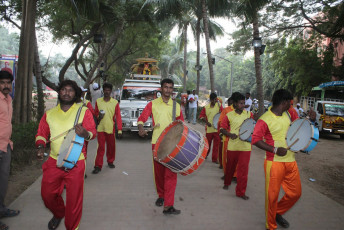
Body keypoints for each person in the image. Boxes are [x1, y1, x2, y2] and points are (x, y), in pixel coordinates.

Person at [35, 80, 97, 230]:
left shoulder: (83, 111)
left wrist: (85, 133)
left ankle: (72, 227)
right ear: (59, 92)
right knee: (47, 195)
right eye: (64, 89)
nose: (67, 92)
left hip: (76, 162)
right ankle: (58, 213)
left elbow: (92, 133)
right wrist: (40, 146)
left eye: (70, 90)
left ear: (75, 94)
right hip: (53, 161)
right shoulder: (49, 114)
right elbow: (41, 133)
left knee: (74, 200)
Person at [251, 89, 300, 230]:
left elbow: (299, 128)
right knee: (272, 197)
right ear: (283, 102)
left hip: (291, 161)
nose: (291, 107)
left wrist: (311, 120)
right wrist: (275, 150)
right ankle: (271, 225)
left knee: (295, 193)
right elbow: (255, 140)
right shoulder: (264, 119)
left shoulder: (290, 114)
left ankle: (277, 212)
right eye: (289, 103)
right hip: (274, 163)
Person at [137, 78, 184, 215]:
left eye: (170, 87)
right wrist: (141, 128)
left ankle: (168, 205)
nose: (168, 90)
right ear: (161, 89)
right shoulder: (152, 104)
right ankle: (161, 195)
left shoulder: (176, 106)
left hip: (172, 144)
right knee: (158, 173)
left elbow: (181, 125)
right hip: (157, 143)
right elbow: (141, 119)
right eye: (166, 87)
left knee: (171, 174)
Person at [220, 92, 254, 200]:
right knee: (230, 167)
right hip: (233, 146)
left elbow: (254, 127)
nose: (242, 105)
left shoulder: (249, 115)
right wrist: (229, 134)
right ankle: (227, 182)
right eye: (240, 103)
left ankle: (241, 192)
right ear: (235, 104)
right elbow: (222, 129)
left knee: (243, 171)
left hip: (246, 147)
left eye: (244, 103)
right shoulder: (228, 115)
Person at [0, 71, 19, 230]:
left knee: (3, 182)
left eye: (8, 83)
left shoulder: (8, 99)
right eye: (2, 83)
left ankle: (1, 209)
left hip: (6, 145)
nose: (6, 86)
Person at [92, 82, 122, 174]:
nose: (107, 92)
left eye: (108, 90)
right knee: (100, 148)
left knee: (111, 147)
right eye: (105, 90)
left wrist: (119, 130)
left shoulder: (115, 102)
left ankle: (110, 161)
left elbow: (118, 116)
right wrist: (98, 117)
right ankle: (98, 165)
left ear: (111, 91)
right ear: (103, 91)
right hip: (101, 128)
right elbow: (96, 113)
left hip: (110, 129)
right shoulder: (98, 101)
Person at [199, 92, 223, 163]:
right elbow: (201, 116)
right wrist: (207, 122)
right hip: (209, 129)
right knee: (207, 144)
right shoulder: (206, 107)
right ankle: (205, 155)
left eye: (216, 99)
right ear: (211, 100)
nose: (216, 100)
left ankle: (214, 159)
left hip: (217, 129)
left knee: (216, 145)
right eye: (214, 99)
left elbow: (223, 114)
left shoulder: (219, 106)